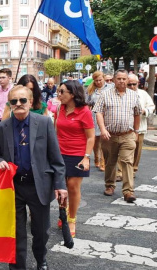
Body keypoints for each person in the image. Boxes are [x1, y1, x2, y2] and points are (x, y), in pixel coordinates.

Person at [0, 85, 67, 270]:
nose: (18, 104)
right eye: (13, 101)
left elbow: (56, 158)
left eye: (22, 100)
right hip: (13, 188)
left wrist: (60, 185)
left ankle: (41, 260)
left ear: (30, 102)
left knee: (41, 232)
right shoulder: (1, 128)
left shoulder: (45, 122)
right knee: (16, 233)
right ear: (9, 103)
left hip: (38, 186)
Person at [93, 69, 141, 202]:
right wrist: (102, 129)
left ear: (127, 80)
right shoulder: (105, 95)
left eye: (124, 79)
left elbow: (137, 114)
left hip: (128, 135)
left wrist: (136, 132)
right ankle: (109, 185)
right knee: (110, 162)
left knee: (127, 162)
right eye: (119, 78)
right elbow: (98, 112)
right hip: (109, 136)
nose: (121, 81)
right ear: (114, 80)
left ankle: (128, 191)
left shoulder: (133, 95)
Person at [55, 81, 95, 237]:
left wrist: (86, 157)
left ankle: (72, 219)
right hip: (59, 153)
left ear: (72, 94)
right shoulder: (59, 108)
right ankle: (63, 213)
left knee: (72, 186)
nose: (59, 95)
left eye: (62, 92)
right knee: (60, 187)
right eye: (58, 91)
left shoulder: (84, 111)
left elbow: (91, 137)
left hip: (78, 153)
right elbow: (55, 131)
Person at [116, 74, 155, 176]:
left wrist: (145, 111)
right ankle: (120, 172)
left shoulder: (143, 94)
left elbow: (151, 106)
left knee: (137, 150)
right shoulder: (120, 94)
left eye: (134, 84)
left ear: (138, 83)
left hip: (140, 128)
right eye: (130, 84)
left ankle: (133, 169)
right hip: (124, 128)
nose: (132, 86)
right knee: (122, 150)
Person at [86, 71, 110, 172]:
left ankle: (103, 161)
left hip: (107, 115)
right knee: (96, 140)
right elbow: (88, 103)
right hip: (94, 116)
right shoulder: (91, 90)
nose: (99, 82)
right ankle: (96, 157)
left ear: (103, 78)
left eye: (100, 80)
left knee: (104, 140)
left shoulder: (110, 88)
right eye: (96, 81)